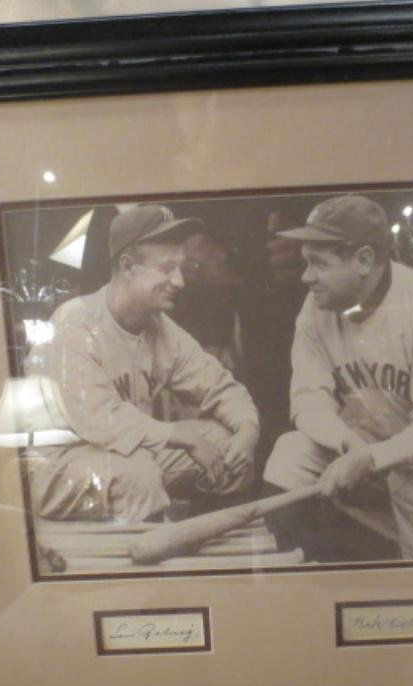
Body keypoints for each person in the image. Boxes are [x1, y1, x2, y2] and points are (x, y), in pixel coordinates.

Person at [263, 195, 413, 561]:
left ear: (364, 260)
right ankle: (306, 577)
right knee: (291, 454)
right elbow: (309, 398)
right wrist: (347, 444)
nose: (305, 276)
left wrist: (370, 458)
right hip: (377, 441)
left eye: (318, 263)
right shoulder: (316, 308)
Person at [25, 204, 260, 524]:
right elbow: (101, 420)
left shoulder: (160, 327)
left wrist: (248, 429)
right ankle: (151, 562)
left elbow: (217, 385)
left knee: (223, 445)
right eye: (167, 269)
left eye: (181, 267)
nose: (180, 281)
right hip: (59, 467)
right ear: (128, 267)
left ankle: (201, 543)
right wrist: (184, 434)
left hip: (124, 455)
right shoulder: (74, 322)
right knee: (139, 473)